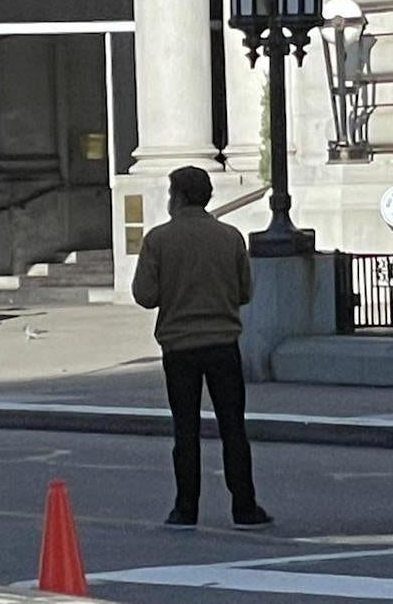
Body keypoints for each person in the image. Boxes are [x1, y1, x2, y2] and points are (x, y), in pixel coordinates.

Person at [131, 166, 272, 529]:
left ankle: (186, 507)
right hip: (223, 342)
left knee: (186, 429)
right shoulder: (229, 237)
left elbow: (144, 295)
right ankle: (244, 506)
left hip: (179, 346)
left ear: (176, 197)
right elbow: (244, 292)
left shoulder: (158, 240)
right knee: (233, 428)